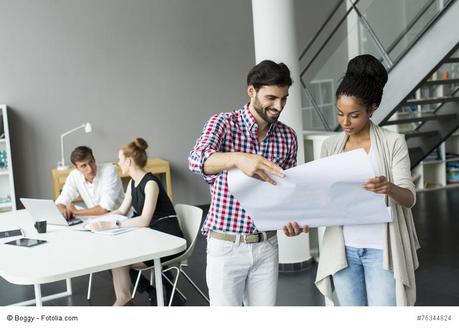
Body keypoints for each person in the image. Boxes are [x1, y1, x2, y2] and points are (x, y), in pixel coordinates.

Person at [188, 60, 308, 306]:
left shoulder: (287, 136)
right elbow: (195, 159)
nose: (279, 106)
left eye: (284, 98)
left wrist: (294, 218)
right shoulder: (223, 124)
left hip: (267, 246)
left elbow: (287, 192)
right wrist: (238, 159)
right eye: (272, 98)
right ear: (251, 90)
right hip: (226, 247)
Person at [314, 54, 420, 305]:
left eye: (354, 115)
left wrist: (389, 188)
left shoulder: (393, 142)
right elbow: (321, 198)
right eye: (340, 113)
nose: (345, 122)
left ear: (371, 109)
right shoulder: (330, 146)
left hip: (382, 251)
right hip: (343, 251)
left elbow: (409, 198)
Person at [90, 138, 184, 306]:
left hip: (167, 237)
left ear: (129, 161)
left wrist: (111, 225)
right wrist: (95, 221)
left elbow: (145, 219)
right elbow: (121, 211)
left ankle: (128, 299)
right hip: (152, 234)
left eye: (120, 159)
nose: (118, 163)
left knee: (121, 259)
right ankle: (126, 299)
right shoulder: (133, 183)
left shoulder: (150, 184)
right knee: (115, 257)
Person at [55, 146, 124, 218]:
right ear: (77, 168)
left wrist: (75, 212)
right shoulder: (74, 175)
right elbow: (60, 202)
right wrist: (64, 211)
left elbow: (105, 209)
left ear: (94, 159)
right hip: (96, 220)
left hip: (120, 219)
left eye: (91, 162)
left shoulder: (109, 170)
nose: (90, 169)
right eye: (83, 166)